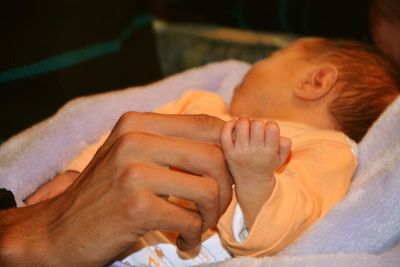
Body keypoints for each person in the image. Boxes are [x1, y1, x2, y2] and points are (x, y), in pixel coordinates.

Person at [26, 38, 399, 265]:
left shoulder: (327, 150)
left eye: (265, 61)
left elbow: (296, 221)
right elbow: (122, 138)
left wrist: (255, 179)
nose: (245, 74)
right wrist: (78, 175)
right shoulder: (201, 105)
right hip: (99, 238)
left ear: (315, 81)